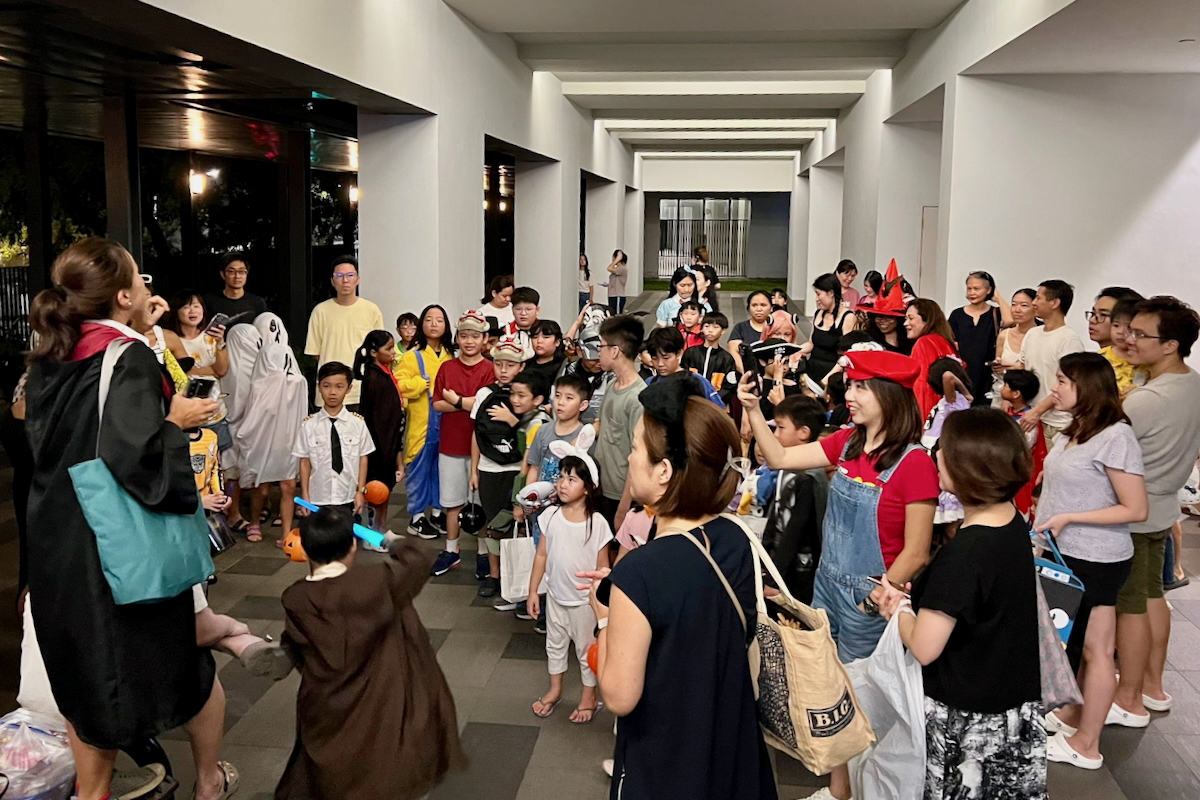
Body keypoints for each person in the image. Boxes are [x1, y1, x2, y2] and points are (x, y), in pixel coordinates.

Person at [25, 237, 236, 800]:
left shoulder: (54, 352)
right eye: (140, 279)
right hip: (114, 549)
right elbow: (137, 462)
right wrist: (177, 421)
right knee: (135, 668)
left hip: (58, 538)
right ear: (122, 295)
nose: (147, 287)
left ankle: (93, 791)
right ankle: (208, 781)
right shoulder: (130, 358)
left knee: (84, 680)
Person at [742, 348, 937, 800]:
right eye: (850, 386)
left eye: (861, 388)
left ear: (889, 395)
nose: (850, 395)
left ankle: (867, 790)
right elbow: (779, 457)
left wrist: (878, 596)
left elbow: (917, 551)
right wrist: (752, 410)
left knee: (867, 702)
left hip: (871, 599)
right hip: (827, 585)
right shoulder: (848, 441)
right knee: (833, 689)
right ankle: (840, 789)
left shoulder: (914, 463)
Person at [581, 376, 777, 800]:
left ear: (664, 471)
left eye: (636, 448)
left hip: (665, 760)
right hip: (730, 744)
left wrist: (605, 619)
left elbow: (619, 696)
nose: (630, 457)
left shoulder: (639, 573)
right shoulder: (735, 537)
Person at [878, 408, 1045, 799]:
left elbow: (925, 647)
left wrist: (898, 610)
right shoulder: (1010, 520)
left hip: (967, 715)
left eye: (944, 449)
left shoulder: (964, 556)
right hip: (1011, 701)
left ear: (970, 468)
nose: (936, 455)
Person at [276, 508, 463, 800]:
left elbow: (297, 647)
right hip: (382, 698)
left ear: (306, 550)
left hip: (326, 705)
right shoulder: (378, 582)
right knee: (381, 765)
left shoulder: (296, 597)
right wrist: (389, 541)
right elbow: (419, 558)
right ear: (352, 547)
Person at [1033, 353, 1148, 769]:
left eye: (1063, 381)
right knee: (1076, 644)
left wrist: (1069, 516)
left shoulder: (1117, 436)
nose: (1055, 388)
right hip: (1064, 553)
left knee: (1098, 650)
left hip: (1096, 558)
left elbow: (1136, 508)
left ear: (1088, 387)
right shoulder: (1077, 428)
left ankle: (1087, 744)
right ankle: (1072, 714)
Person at [1113, 298, 1200, 725]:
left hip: (1129, 513)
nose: (1130, 339)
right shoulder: (1193, 384)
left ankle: (1127, 696)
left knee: (1130, 606)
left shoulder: (1145, 401)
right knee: (1151, 596)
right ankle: (1152, 685)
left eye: (1140, 334)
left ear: (1170, 345)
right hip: (1161, 507)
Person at [529, 453, 613, 723]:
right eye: (562, 477)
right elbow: (542, 554)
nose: (562, 484)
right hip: (555, 597)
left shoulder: (597, 523)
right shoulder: (551, 516)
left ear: (588, 488)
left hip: (583, 603)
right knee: (554, 645)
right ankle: (555, 690)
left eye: (572, 479)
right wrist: (533, 591)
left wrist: (600, 605)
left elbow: (602, 568)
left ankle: (589, 696)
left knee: (587, 650)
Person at [472, 367, 548, 600]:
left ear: (537, 400)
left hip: (522, 484)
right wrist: (474, 471)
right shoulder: (501, 405)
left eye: (521, 395)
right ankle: (496, 577)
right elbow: (477, 434)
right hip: (493, 475)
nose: (514, 399)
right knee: (494, 526)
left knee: (520, 531)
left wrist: (519, 500)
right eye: (513, 393)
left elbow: (528, 461)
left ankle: (519, 583)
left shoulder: (538, 422)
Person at [429, 310, 495, 577]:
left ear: (485, 339)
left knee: (481, 503)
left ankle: (483, 553)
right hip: (451, 444)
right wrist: (469, 403)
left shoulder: (490, 369)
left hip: (484, 447)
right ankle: (451, 550)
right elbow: (437, 404)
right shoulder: (447, 368)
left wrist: (456, 400)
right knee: (452, 502)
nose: (469, 341)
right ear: (457, 338)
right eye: (465, 336)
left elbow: (486, 406)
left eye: (475, 336)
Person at [239, 313, 307, 543]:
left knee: (288, 486)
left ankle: (286, 533)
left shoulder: (294, 376)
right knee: (262, 486)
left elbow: (298, 399)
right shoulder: (262, 372)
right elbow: (258, 402)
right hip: (265, 437)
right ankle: (255, 522)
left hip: (287, 438)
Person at [760, 395, 828, 603]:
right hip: (777, 562)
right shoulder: (784, 467)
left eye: (781, 428)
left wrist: (774, 579)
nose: (776, 434)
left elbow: (795, 532)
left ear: (803, 433)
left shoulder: (808, 477)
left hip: (800, 571)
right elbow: (776, 514)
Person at [396, 304, 454, 539]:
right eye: (429, 319)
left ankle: (438, 513)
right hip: (422, 423)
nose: (434, 324)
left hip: (447, 422)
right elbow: (398, 385)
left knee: (441, 469)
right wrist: (420, 384)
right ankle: (417, 517)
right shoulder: (413, 356)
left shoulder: (451, 355)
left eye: (439, 320)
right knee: (419, 468)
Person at [295, 361, 375, 523]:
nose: (332, 392)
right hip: (318, 496)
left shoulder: (357, 424)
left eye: (339, 387)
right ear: (319, 387)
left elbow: (363, 459)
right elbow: (305, 462)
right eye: (326, 386)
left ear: (349, 388)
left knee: (347, 535)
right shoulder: (308, 425)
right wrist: (305, 494)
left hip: (347, 496)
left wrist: (360, 491)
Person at [304, 256, 384, 408]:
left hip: (361, 389)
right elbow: (316, 353)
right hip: (329, 391)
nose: (345, 280)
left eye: (350, 275)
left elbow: (379, 351)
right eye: (339, 276)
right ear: (332, 281)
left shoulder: (371, 310)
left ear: (358, 279)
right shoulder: (320, 311)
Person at [595, 315, 647, 531]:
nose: (598, 352)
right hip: (602, 487)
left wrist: (623, 508)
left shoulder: (638, 398)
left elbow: (639, 456)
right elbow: (601, 425)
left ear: (615, 351)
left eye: (601, 346)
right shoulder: (612, 385)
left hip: (620, 496)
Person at [1017, 280, 1085, 444]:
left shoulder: (1069, 340)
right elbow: (1024, 368)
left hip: (1057, 423)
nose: (1034, 303)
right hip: (1029, 417)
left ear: (1054, 303)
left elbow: (1069, 383)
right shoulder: (1032, 333)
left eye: (1038, 298)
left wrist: (1038, 411)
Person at [353, 330, 406, 540]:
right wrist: (385, 449)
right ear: (374, 352)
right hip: (379, 445)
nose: (393, 352)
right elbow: (376, 418)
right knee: (376, 490)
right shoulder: (374, 378)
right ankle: (373, 532)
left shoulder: (383, 373)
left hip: (388, 442)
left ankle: (381, 527)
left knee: (384, 489)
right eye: (389, 348)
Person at [163, 290, 232, 450]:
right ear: (176, 311)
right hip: (186, 415)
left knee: (217, 460)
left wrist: (220, 343)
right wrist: (211, 370)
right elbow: (180, 372)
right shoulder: (170, 340)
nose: (192, 311)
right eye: (186, 307)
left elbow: (221, 371)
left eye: (196, 306)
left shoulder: (210, 337)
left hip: (215, 413)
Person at [920, 356, 974, 527]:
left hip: (939, 453)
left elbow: (947, 376)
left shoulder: (956, 399)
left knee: (949, 520)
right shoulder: (947, 400)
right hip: (931, 452)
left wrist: (966, 392)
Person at [949, 271, 1013, 406]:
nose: (972, 293)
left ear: (988, 290)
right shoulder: (957, 315)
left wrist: (998, 297)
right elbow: (950, 341)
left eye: (977, 289)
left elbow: (1010, 321)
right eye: (969, 288)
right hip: (963, 372)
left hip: (986, 374)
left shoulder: (995, 312)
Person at [904, 298, 959, 419]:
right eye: (905, 319)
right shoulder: (945, 342)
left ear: (927, 319)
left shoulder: (923, 343)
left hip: (929, 413)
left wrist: (919, 421)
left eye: (911, 318)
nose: (905, 323)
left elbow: (922, 387)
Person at [644, 327, 723, 407]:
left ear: (679, 353)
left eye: (666, 358)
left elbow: (718, 409)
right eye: (655, 358)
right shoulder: (650, 383)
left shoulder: (698, 381)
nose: (660, 363)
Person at [800, 273, 856, 385]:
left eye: (818, 294)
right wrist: (794, 351)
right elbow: (811, 343)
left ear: (831, 293)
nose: (816, 299)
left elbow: (846, 355)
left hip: (833, 372)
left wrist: (827, 380)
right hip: (812, 368)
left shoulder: (848, 317)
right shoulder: (818, 314)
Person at [991, 288, 1040, 403]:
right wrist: (997, 367)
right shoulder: (1004, 335)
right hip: (1004, 396)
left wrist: (1021, 367)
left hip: (1033, 397)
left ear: (1035, 308)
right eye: (1013, 304)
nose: (1017, 310)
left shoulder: (1041, 335)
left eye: (1024, 305)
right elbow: (998, 370)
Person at [1095, 291, 1148, 394]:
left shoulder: (1144, 360)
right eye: (1116, 325)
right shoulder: (1100, 357)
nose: (1120, 332)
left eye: (1128, 327)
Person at [682, 311, 737, 407]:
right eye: (707, 326)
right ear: (701, 328)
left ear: (723, 331)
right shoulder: (691, 353)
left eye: (716, 327)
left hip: (715, 406)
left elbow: (730, 385)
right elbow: (682, 376)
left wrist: (714, 400)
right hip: (690, 402)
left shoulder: (726, 358)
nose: (710, 330)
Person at [558, 323, 608, 424]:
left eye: (602, 358)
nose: (599, 363)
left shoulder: (612, 374)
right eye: (594, 359)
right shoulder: (568, 370)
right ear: (580, 352)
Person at [203, 253, 268, 329]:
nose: (237, 276)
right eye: (231, 271)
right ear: (223, 274)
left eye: (241, 272)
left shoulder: (257, 302)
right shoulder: (209, 301)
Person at [728, 291, 772, 374]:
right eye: (754, 305)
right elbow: (733, 351)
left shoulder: (777, 328)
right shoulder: (740, 328)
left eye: (763, 305)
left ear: (771, 307)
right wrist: (748, 374)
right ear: (748, 308)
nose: (759, 309)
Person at [524, 318, 567, 393]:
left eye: (546, 337)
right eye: (535, 337)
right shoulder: (525, 365)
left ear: (557, 342)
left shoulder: (564, 366)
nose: (539, 341)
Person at [506, 286, 541, 359]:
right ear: (512, 310)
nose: (523, 313)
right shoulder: (504, 331)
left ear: (537, 310)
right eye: (518, 309)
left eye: (528, 309)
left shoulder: (545, 331)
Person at [606, 250, 629, 315]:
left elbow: (609, 268)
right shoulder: (617, 268)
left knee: (617, 315)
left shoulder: (622, 268)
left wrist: (617, 259)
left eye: (613, 257)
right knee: (612, 314)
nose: (612, 259)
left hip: (618, 295)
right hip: (612, 295)